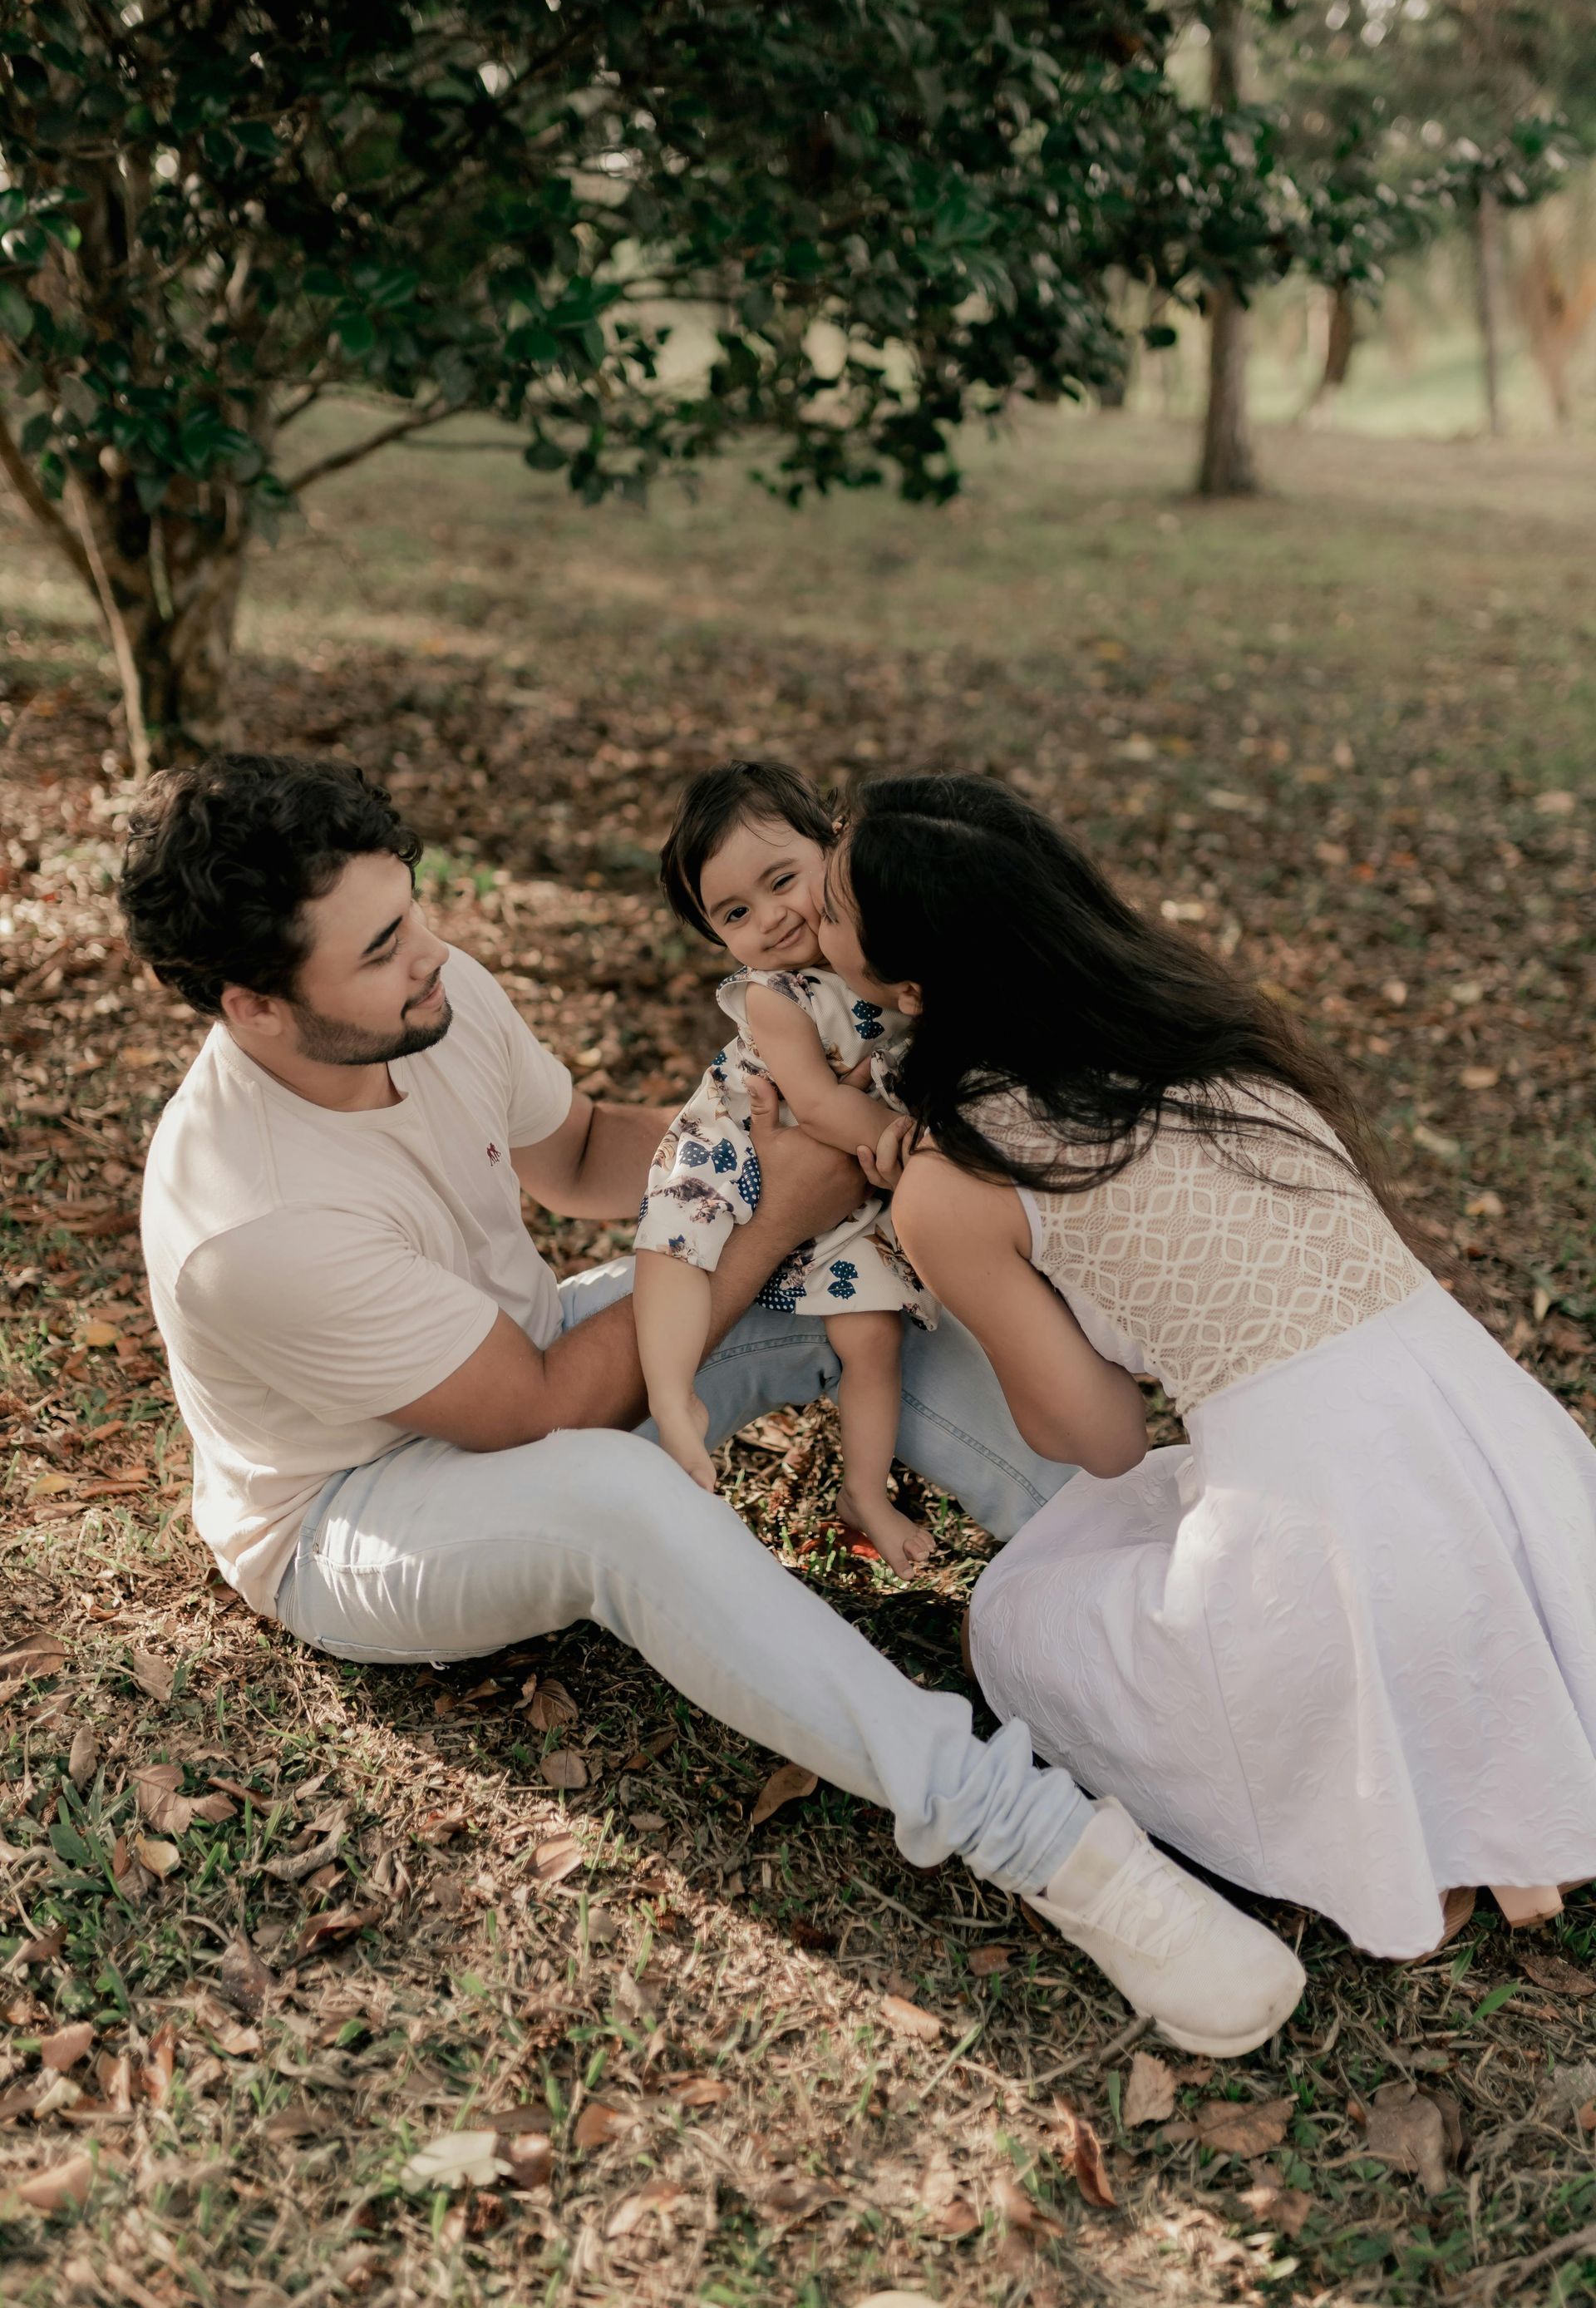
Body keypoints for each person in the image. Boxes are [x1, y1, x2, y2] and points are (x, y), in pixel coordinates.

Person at [118, 750, 1307, 2055]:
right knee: (623, 1491)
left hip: (520, 1353)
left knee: (845, 1281)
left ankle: (1207, 1610)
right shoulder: (253, 1221)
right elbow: (538, 1415)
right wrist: (777, 1202)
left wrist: (783, 1144)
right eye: (386, 946)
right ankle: (1050, 1847)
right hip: (354, 1511)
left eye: (417, 911)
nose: (436, 954)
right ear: (256, 1007)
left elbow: (575, 1158)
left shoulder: (431, 999)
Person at [824, 770, 1596, 1960]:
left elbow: (1103, 1438)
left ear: (914, 988)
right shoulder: (1217, 1043)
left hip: (1327, 1553)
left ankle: (1387, 1801)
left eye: (828, 914)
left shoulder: (953, 1178)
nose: (804, 932)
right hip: (1534, 1489)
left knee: (1012, 1621)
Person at [636, 762, 933, 1573]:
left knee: (874, 1341)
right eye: (736, 911)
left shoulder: (880, 946)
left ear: (834, 848)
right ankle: (669, 1389)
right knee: (677, 1246)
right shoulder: (775, 995)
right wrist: (901, 1142)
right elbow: (820, 1100)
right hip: (734, 1147)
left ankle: (865, 1490)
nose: (768, 919)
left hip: (842, 1196)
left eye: (783, 881)